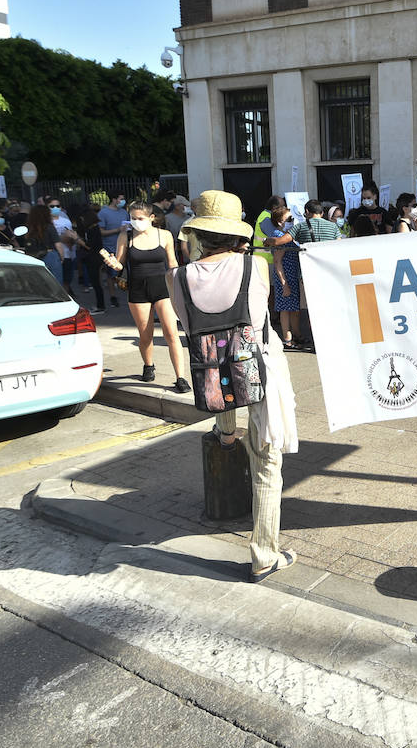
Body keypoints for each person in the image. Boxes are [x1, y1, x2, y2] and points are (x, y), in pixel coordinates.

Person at [170, 190, 300, 582]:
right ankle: (264, 553)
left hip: (214, 371)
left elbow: (192, 328)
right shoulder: (254, 268)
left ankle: (226, 432)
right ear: (237, 235)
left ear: (197, 234)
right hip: (261, 366)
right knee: (266, 462)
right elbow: (259, 319)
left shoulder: (177, 278)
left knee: (221, 362)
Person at [106, 200, 190, 391]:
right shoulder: (125, 236)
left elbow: (172, 263)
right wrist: (113, 264)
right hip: (138, 290)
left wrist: (180, 286)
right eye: (133, 218)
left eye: (140, 218)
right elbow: (120, 264)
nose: (136, 222)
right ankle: (148, 365)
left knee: (172, 333)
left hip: (163, 288)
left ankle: (181, 377)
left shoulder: (165, 235)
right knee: (145, 335)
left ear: (151, 218)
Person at [260, 203, 303, 349]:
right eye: (289, 218)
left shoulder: (287, 235)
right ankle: (288, 338)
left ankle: (296, 335)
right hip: (285, 276)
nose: (292, 220)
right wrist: (284, 283)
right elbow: (277, 261)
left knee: (294, 308)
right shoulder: (278, 236)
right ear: (280, 222)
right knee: (286, 309)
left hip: (291, 275)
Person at [75, 205, 107, 315]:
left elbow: (89, 246)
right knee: (96, 282)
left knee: (96, 282)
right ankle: (100, 305)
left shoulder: (93, 229)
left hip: (94, 258)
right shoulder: (92, 228)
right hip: (94, 257)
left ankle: (101, 306)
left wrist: (77, 239)